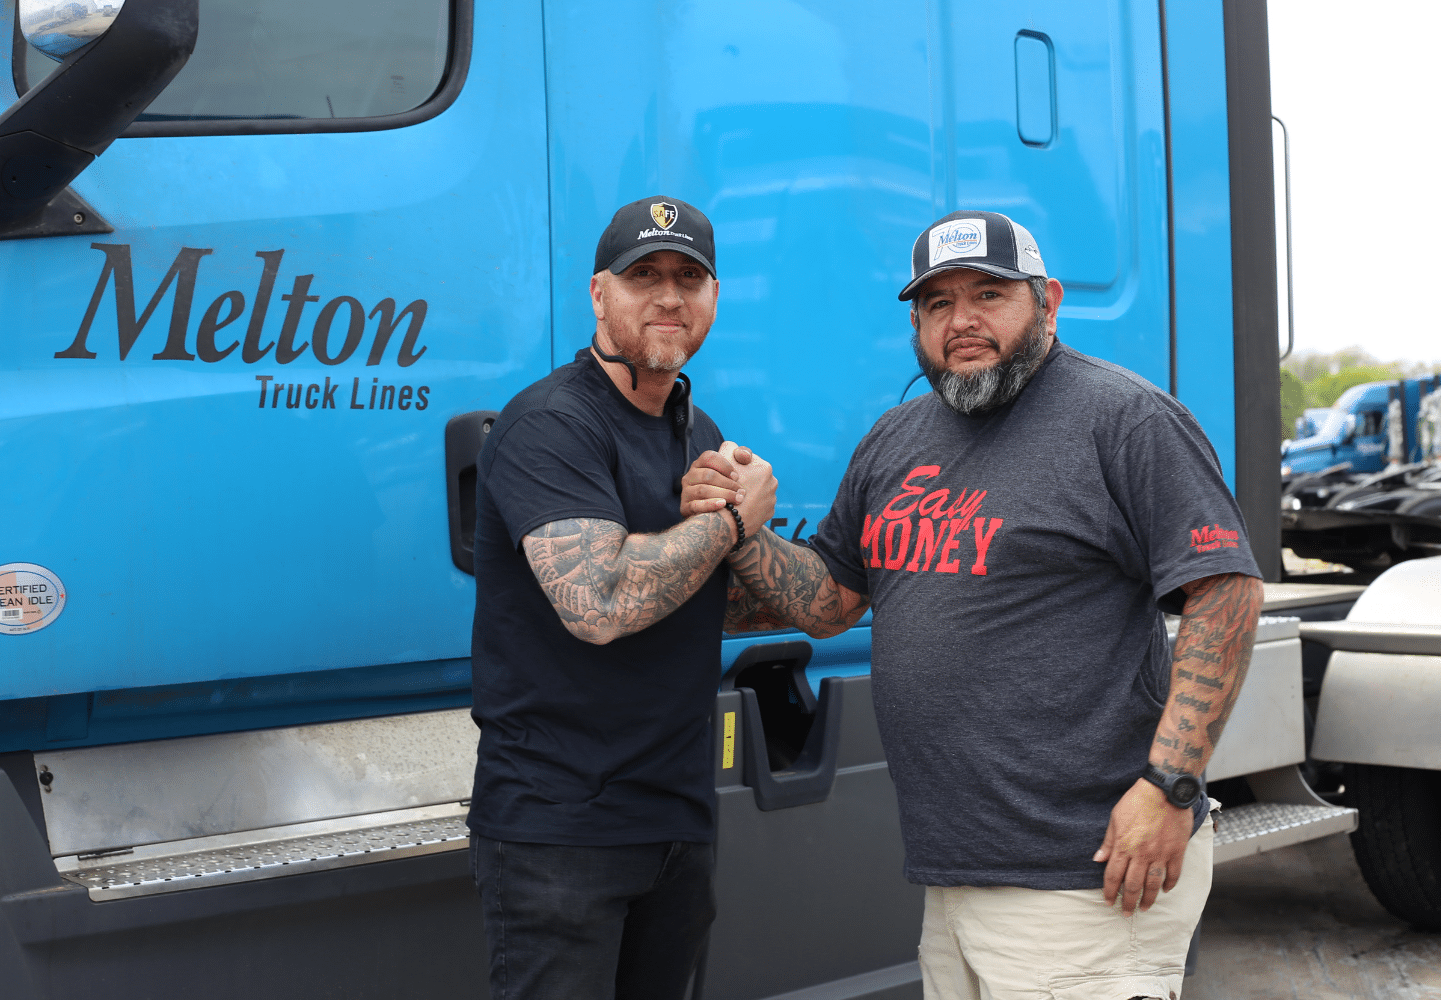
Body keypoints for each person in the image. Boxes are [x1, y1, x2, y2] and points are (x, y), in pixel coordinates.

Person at [683, 210, 1264, 1000]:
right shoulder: (898, 438)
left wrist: (1169, 788)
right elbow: (832, 598)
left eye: (990, 294)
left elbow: (1224, 590)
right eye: (937, 302)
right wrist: (738, 530)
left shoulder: (1123, 419)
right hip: (958, 872)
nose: (962, 321)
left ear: (1048, 300)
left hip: (1084, 869)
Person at [467, 195, 777, 1000]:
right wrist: (733, 522)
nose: (669, 296)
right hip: (559, 832)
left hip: (675, 819)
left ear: (713, 298)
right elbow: (598, 602)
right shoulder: (550, 423)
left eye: (689, 277)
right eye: (645, 276)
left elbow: (704, 597)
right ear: (599, 294)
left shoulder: (696, 433)